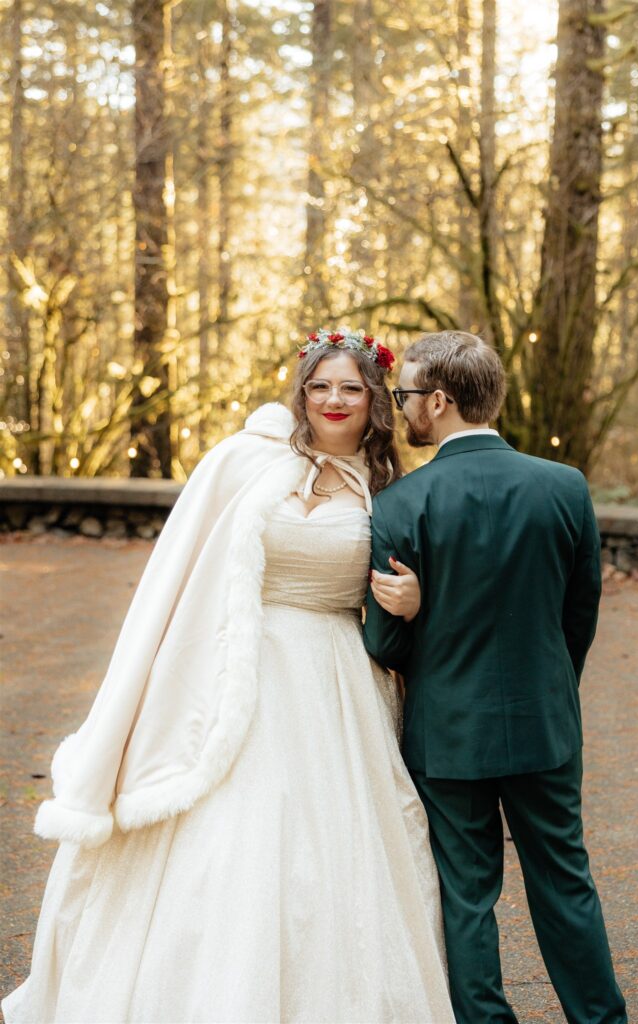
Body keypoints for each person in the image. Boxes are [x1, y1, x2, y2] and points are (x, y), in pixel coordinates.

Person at [3, 328, 455, 1024]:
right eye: (319, 386)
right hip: (235, 662)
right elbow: (180, 571)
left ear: (373, 398)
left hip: (334, 681)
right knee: (224, 831)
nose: (333, 400)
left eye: (349, 387)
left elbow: (418, 590)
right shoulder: (245, 461)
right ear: (301, 393)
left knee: (327, 842)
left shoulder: (389, 489)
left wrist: (415, 600)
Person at [364, 330, 628, 1024]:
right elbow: (578, 615)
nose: (401, 406)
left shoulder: (398, 505)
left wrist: (419, 618)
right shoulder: (564, 486)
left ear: (439, 401)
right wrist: (550, 689)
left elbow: (384, 641)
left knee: (466, 895)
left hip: (448, 730)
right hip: (545, 721)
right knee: (565, 883)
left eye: (406, 394)